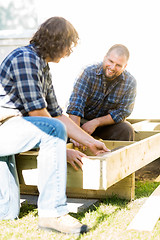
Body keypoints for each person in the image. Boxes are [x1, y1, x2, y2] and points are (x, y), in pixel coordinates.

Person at [0, 17, 109, 235]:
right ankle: (53, 213)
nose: (70, 51)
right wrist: (59, 148)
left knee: (7, 213)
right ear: (57, 42)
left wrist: (90, 142)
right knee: (53, 130)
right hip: (5, 129)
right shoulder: (24, 59)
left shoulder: (42, 66)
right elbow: (41, 117)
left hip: (13, 132)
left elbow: (58, 115)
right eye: (69, 45)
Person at [66, 44, 137, 147]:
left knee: (126, 129)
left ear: (124, 66)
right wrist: (76, 135)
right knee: (63, 132)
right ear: (105, 58)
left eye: (118, 65)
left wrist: (96, 122)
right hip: (81, 122)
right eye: (111, 61)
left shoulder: (130, 82)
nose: (112, 68)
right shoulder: (88, 73)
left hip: (106, 125)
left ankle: (119, 161)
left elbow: (123, 112)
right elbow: (76, 105)